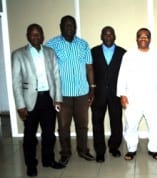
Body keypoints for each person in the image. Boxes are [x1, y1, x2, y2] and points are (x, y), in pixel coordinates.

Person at [12, 24, 65, 177]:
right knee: (29, 136)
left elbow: (56, 76)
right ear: (28, 36)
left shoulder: (50, 52)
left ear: (43, 36)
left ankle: (48, 160)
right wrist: (20, 105)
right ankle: (31, 164)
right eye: (32, 34)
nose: (36, 37)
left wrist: (58, 98)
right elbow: (16, 82)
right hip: (29, 101)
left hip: (48, 98)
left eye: (38, 34)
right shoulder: (18, 54)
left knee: (49, 134)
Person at [46, 15, 95, 166]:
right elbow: (47, 69)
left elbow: (89, 67)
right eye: (66, 25)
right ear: (61, 26)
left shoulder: (83, 44)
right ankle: (65, 153)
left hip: (82, 93)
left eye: (72, 25)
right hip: (62, 95)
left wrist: (92, 88)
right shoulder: (51, 44)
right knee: (63, 126)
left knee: (82, 125)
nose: (70, 28)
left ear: (76, 27)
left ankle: (83, 150)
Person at [117, 28, 157, 161]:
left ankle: (154, 149)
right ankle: (132, 149)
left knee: (156, 124)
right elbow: (122, 75)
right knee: (131, 124)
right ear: (136, 38)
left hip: (154, 97)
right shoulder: (128, 55)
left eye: (146, 36)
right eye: (140, 36)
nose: (143, 39)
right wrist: (122, 94)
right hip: (133, 97)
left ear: (150, 39)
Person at [91, 26, 126, 163]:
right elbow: (89, 72)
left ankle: (114, 147)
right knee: (97, 123)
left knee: (116, 121)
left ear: (115, 36)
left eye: (111, 34)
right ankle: (100, 151)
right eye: (105, 34)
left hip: (116, 94)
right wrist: (91, 90)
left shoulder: (123, 53)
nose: (108, 37)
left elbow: (126, 75)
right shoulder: (93, 52)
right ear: (101, 36)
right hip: (98, 94)